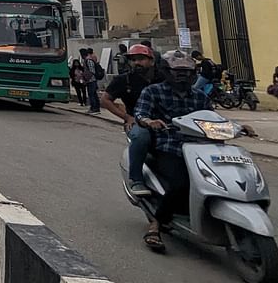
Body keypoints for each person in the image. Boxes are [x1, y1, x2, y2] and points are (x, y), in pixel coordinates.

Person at [132, 50, 254, 253]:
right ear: (167, 72)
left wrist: (238, 126)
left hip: (203, 148)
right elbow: (141, 113)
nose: (182, 76)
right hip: (170, 146)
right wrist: (149, 121)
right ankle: (155, 225)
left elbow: (214, 119)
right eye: (177, 71)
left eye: (187, 72)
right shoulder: (153, 92)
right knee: (181, 183)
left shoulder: (199, 97)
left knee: (229, 177)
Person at [101, 44, 159, 197]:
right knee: (141, 136)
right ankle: (136, 179)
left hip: (164, 122)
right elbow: (105, 100)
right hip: (137, 123)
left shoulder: (162, 78)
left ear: (152, 61)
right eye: (133, 60)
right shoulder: (124, 80)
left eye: (141, 59)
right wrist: (126, 117)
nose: (136, 63)